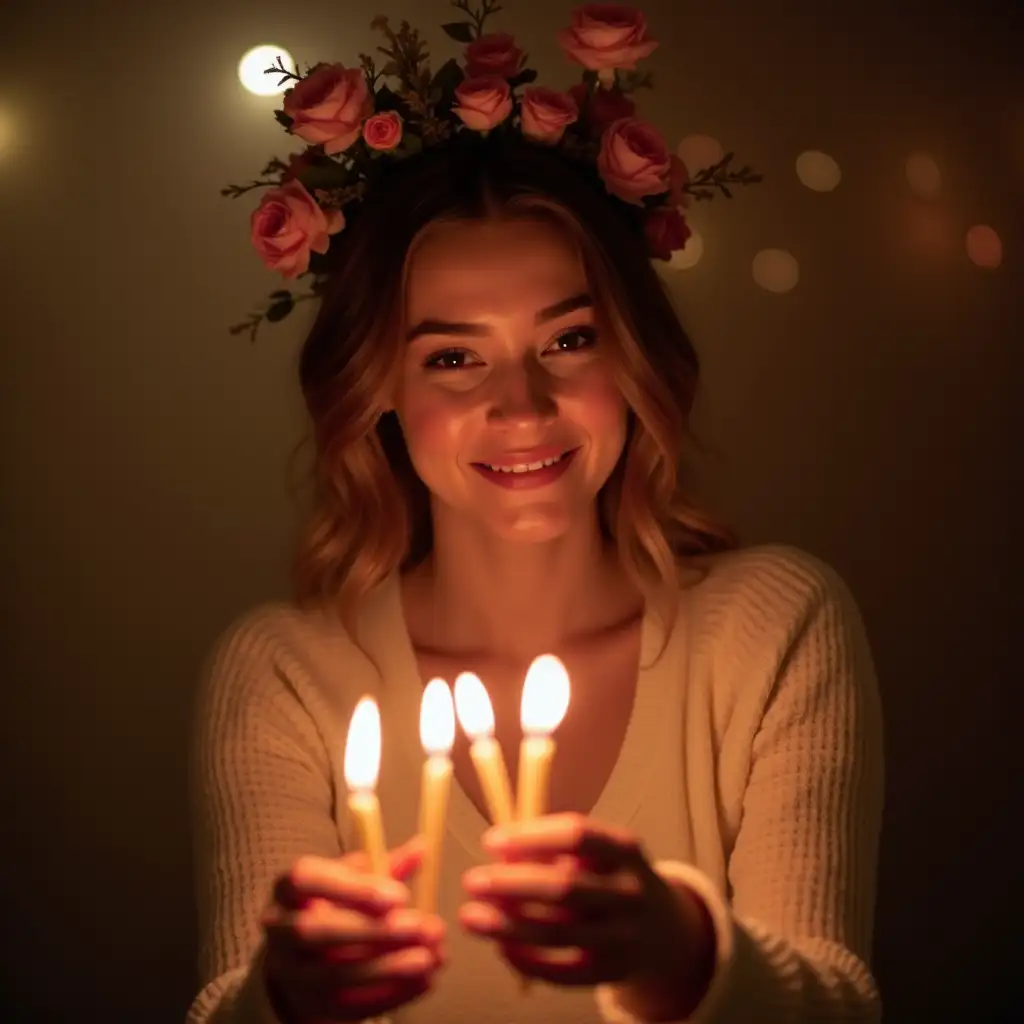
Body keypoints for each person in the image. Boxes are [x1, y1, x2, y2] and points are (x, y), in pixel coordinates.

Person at [189, 12, 883, 1024]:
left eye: (566, 339)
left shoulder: (770, 630)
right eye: (454, 356)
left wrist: (681, 954)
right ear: (378, 384)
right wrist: (285, 997)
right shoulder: (286, 677)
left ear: (633, 355)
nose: (521, 406)